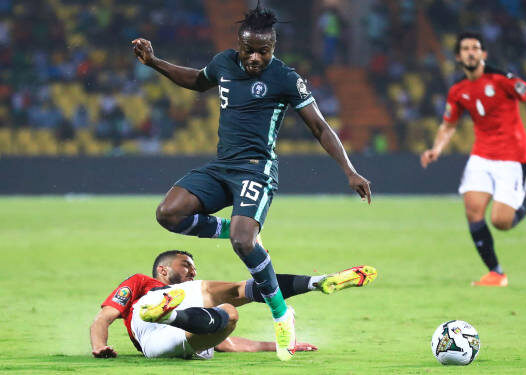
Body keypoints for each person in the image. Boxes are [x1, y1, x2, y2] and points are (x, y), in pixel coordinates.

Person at [131, 2, 371, 361]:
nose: (255, 58)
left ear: (273, 49)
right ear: (239, 45)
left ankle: (281, 313)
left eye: (264, 51)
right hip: (222, 166)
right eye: (249, 50)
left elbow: (320, 126)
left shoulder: (286, 78)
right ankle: (235, 229)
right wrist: (154, 62)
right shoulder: (224, 62)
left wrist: (349, 170)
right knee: (168, 213)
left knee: (244, 242)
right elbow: (198, 81)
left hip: (256, 170)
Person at [420, 32, 526, 287]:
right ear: (458, 56)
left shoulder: (502, 79)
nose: (471, 52)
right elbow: (448, 125)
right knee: (472, 211)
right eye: (465, 48)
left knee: (501, 222)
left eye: (475, 48)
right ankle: (496, 272)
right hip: (481, 157)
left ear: (483, 54)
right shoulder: (458, 90)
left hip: (514, 157)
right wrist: (436, 148)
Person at [90, 249, 377, 360]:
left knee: (229, 315)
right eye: (186, 265)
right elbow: (103, 318)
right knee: (237, 290)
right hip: (147, 321)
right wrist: (98, 346)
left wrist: (275, 345)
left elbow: (230, 344)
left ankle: (169, 315)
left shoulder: (189, 295)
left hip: (172, 341)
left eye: (193, 267)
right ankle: (315, 282)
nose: (192, 271)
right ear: (163, 271)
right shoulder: (142, 283)